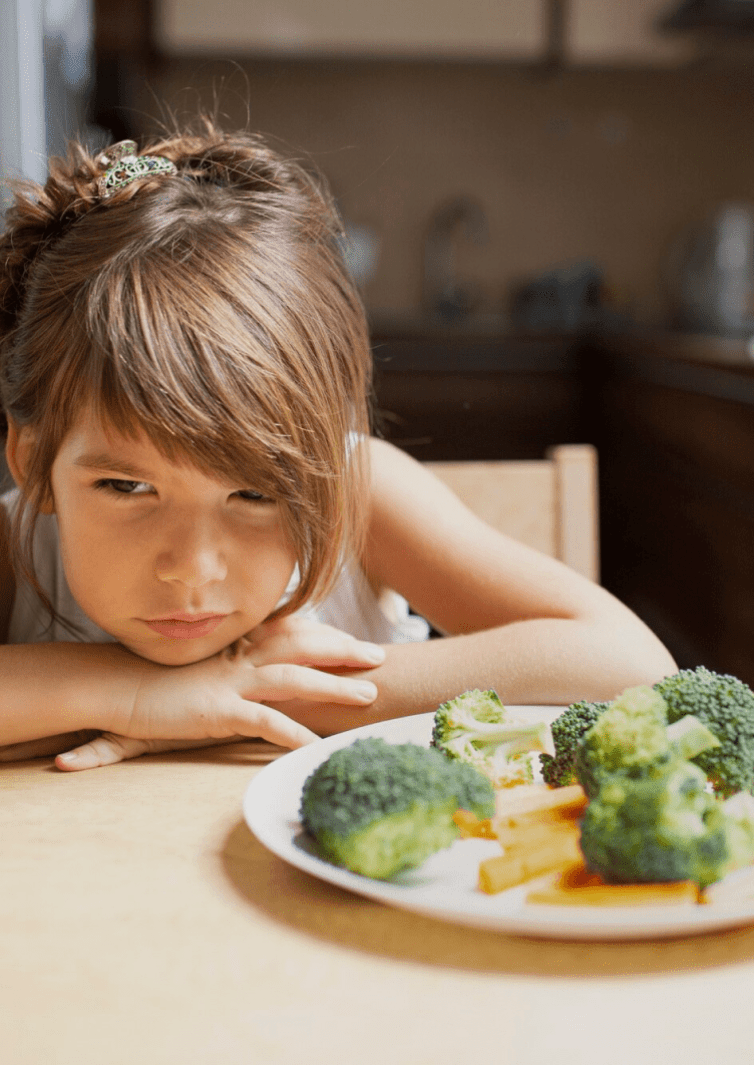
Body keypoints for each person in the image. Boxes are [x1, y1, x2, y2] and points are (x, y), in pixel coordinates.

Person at [0, 119, 676, 772]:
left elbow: (633, 661)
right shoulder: (18, 546)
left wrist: (282, 691)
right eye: (127, 486)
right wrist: (132, 691)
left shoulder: (357, 487)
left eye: (256, 492)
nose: (193, 569)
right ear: (33, 463)